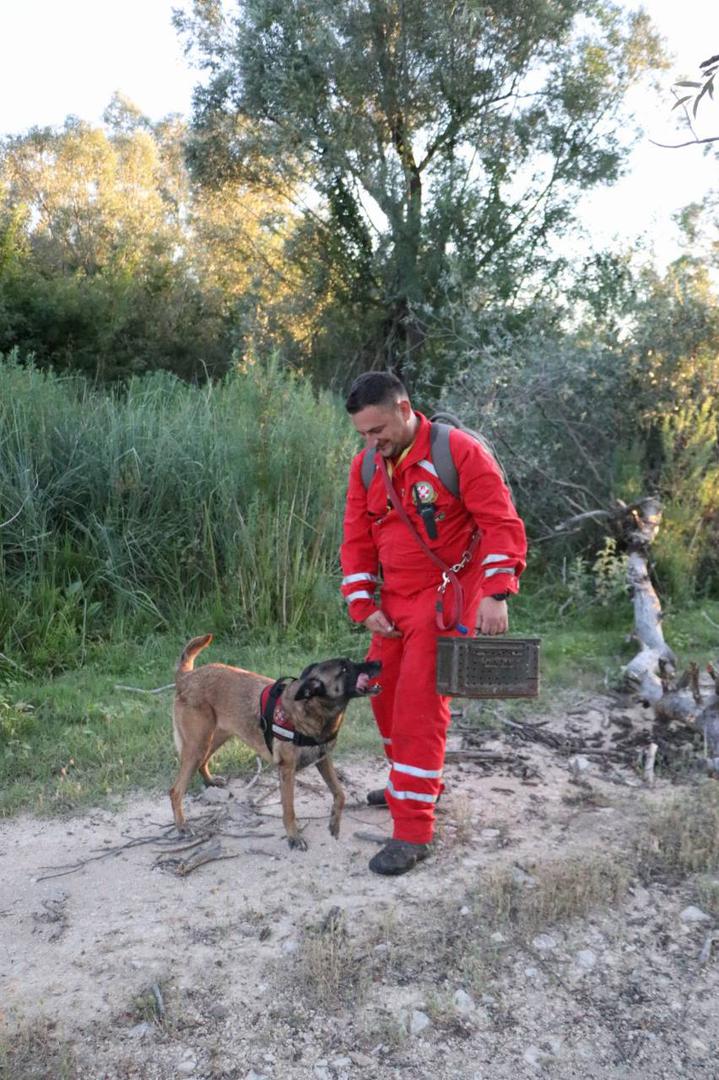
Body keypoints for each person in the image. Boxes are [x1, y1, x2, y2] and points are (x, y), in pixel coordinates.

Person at [340, 371, 527, 875]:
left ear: (404, 410)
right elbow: (356, 539)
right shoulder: (366, 467)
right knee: (382, 695)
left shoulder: (458, 452)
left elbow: (501, 523)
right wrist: (363, 604)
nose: (371, 442)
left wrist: (496, 593)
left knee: (418, 710)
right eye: (362, 433)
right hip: (393, 604)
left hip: (444, 602)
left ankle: (413, 831)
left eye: (377, 430)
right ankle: (410, 782)